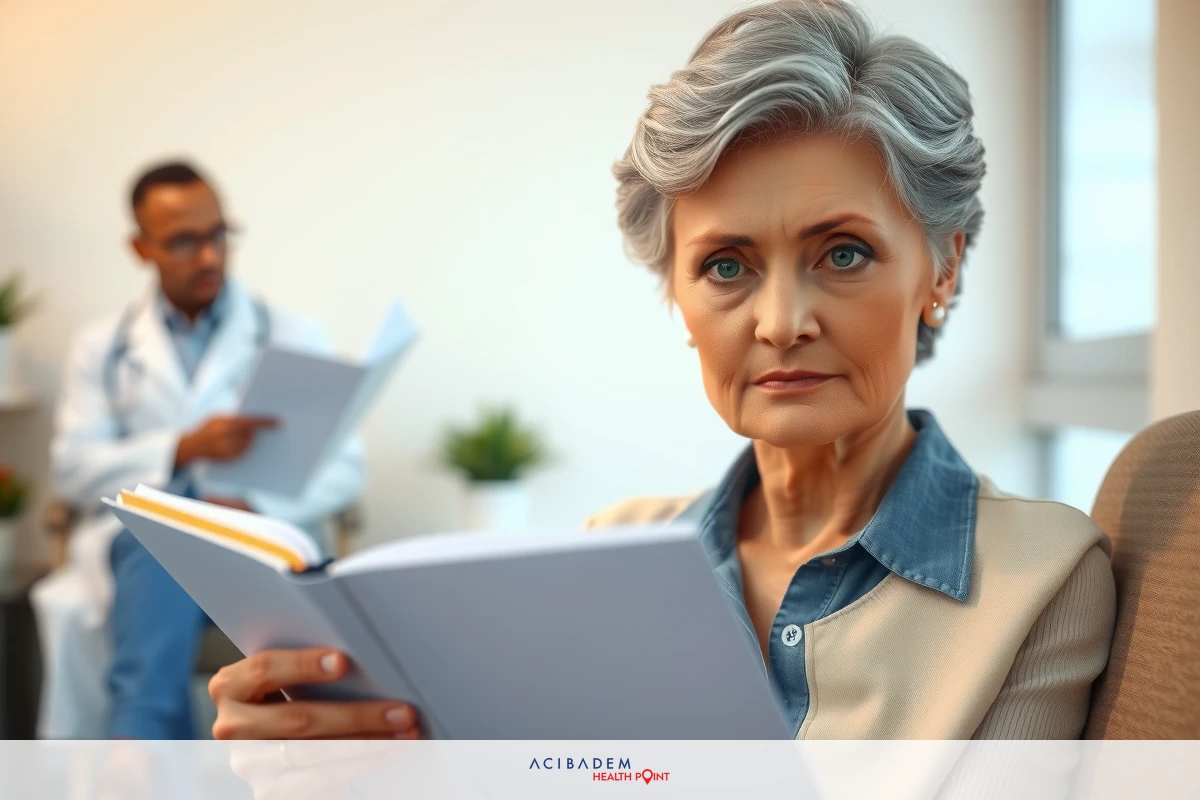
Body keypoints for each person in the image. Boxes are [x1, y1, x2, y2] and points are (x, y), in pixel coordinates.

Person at [206, 0, 1115, 741]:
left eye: (842, 254)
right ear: (677, 297)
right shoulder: (612, 550)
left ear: (942, 268)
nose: (781, 323)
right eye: (727, 266)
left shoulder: (1040, 577)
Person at [32, 161, 366, 739]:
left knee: (162, 558)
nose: (210, 257)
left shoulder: (293, 335)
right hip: (134, 557)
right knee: (158, 539)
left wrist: (255, 508)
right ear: (140, 248)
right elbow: (73, 470)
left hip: (249, 546)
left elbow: (345, 468)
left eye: (218, 235)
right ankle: (146, 747)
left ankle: (139, 747)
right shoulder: (100, 346)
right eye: (185, 241)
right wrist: (182, 449)